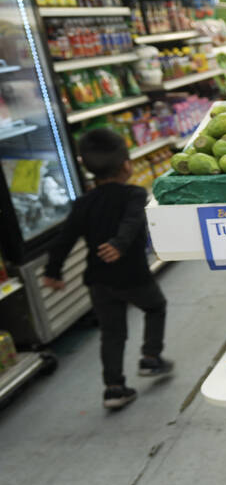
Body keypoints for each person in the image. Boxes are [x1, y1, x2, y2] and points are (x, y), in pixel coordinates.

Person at [41, 127, 173, 409]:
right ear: (127, 165)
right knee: (155, 307)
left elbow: (64, 239)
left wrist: (53, 271)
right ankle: (150, 358)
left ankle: (114, 388)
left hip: (99, 280)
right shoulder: (134, 194)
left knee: (112, 333)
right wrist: (120, 243)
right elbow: (133, 220)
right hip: (132, 274)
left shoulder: (83, 203)